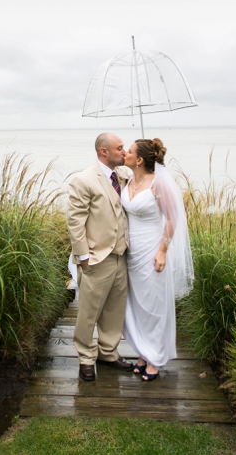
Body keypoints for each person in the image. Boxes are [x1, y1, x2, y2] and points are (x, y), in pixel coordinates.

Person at [120, 138, 194, 382]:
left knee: (154, 305)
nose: (125, 154)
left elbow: (173, 219)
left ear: (139, 160)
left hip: (152, 249)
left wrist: (162, 250)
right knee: (137, 304)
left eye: (129, 151)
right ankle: (142, 353)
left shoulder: (159, 183)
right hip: (131, 252)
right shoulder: (129, 179)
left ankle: (154, 359)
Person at [66, 133, 136, 381]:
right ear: (104, 151)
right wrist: (83, 256)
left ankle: (108, 351)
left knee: (115, 309)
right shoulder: (83, 180)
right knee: (89, 312)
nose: (124, 151)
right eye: (119, 148)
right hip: (96, 257)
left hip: (120, 256)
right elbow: (75, 221)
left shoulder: (124, 176)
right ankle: (86, 356)